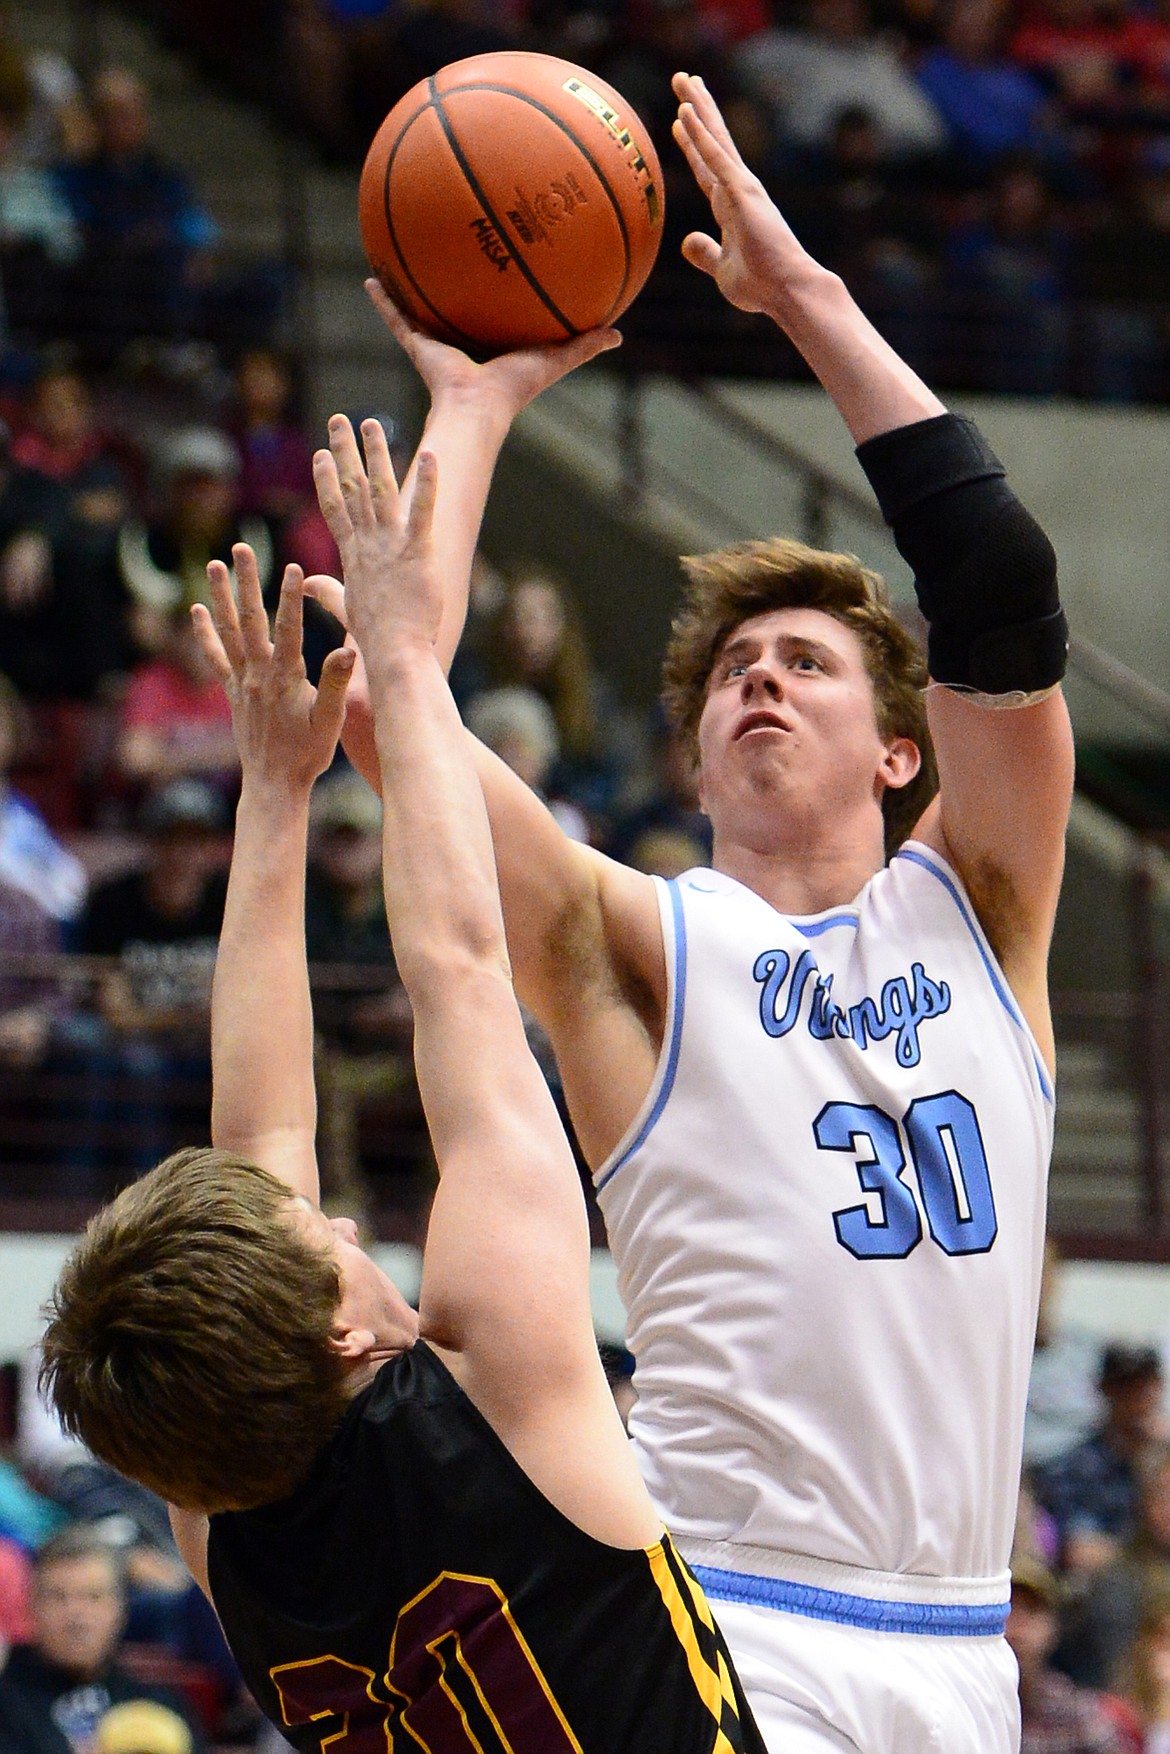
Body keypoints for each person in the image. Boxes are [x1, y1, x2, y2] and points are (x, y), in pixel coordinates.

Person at [313, 70, 1074, 1754]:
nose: (759, 681)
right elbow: (392, 700)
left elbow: (1005, 598)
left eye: (801, 660)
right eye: (734, 667)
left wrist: (808, 299)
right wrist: (478, 400)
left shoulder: (986, 909)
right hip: (727, 1603)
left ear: (900, 744)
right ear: (697, 749)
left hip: (959, 1635)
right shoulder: (636, 946)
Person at [38, 444, 766, 1754]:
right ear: (336, 1339)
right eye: (322, 1247)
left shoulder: (221, 1525)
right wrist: (412, 663)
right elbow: (462, 966)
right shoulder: (503, 1391)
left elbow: (263, 1132)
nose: (338, 1224)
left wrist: (275, 789)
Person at [0, 1525, 200, 1754]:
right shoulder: (5, 1704)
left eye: (93, 1597)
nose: (77, 1616)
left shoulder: (158, 1707)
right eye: (59, 1597)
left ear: (121, 1609)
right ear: (32, 1606)